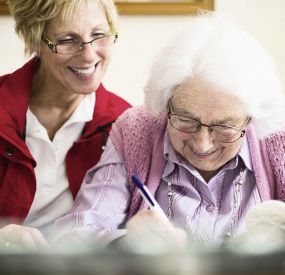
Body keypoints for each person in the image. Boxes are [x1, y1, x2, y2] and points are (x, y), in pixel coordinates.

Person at [54, 12, 285, 251]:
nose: (202, 144)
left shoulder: (278, 141)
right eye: (186, 120)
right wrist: (124, 244)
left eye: (224, 127)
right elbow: (75, 237)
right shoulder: (136, 130)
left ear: (251, 119)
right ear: (165, 105)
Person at [0, 0, 130, 250]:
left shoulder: (126, 125)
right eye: (68, 40)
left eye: (99, 35)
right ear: (35, 41)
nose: (89, 55)